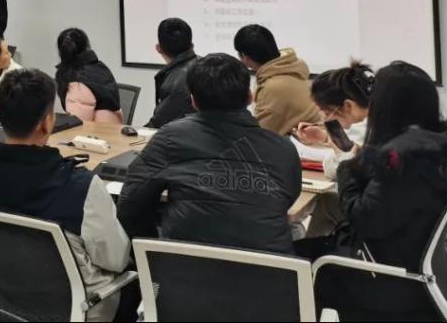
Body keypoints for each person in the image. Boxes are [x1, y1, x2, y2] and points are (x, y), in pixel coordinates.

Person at [306, 62, 447, 321]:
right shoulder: (442, 147)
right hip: (417, 262)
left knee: (296, 266)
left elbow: (364, 218)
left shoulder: (405, 161)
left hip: (387, 276)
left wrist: (346, 166)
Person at [0, 69, 131, 321]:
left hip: (5, 301)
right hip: (78, 309)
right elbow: (116, 259)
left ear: (0, 117)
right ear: (47, 122)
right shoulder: (80, 187)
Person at [117, 53, 302, 254]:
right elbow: (288, 199)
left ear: (194, 101)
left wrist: (151, 250)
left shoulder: (170, 138)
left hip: (183, 267)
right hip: (270, 270)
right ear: (250, 97)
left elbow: (130, 202)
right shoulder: (283, 148)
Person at [234, 24, 320, 135]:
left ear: (245, 57)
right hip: (316, 135)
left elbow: (262, 135)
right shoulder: (289, 67)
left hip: (308, 140)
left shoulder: (272, 87)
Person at [295, 61, 374, 180]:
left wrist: (332, 141)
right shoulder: (366, 123)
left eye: (327, 112)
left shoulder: (366, 130)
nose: (325, 118)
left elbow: (337, 171)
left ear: (348, 106)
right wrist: (325, 137)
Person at [53, 28, 122, 124]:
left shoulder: (77, 83)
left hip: (97, 132)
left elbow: (76, 126)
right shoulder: (100, 66)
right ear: (86, 46)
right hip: (111, 129)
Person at [146, 18, 200, 128]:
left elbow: (158, 125)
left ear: (158, 48)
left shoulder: (176, 84)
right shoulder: (207, 65)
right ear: (192, 46)